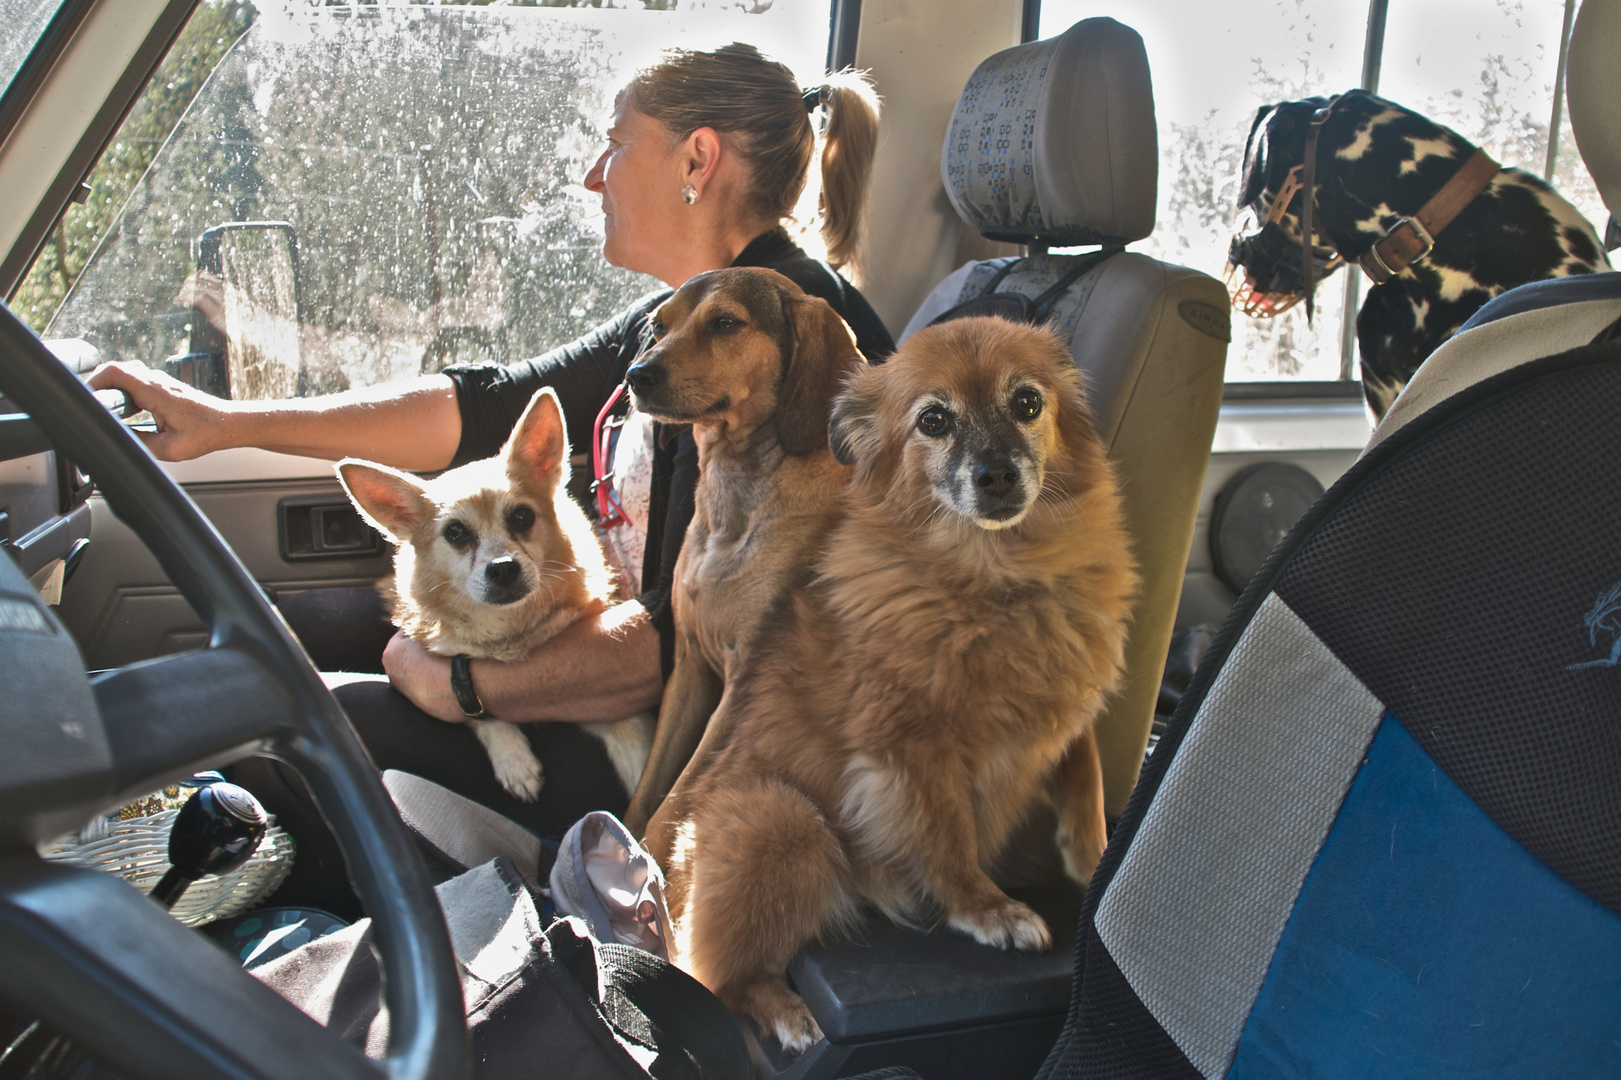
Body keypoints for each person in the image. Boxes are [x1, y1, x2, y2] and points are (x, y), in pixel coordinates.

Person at [90, 43, 894, 919]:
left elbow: (686, 643)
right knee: (285, 635)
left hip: (679, 733)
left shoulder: (770, 349)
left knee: (297, 735)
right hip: (593, 641)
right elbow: (483, 406)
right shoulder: (678, 319)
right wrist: (224, 425)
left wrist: (465, 686)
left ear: (696, 160)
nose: (594, 175)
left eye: (614, 143)